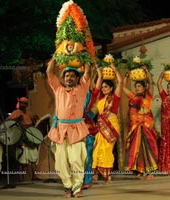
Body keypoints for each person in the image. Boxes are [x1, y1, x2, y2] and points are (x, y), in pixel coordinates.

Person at [46, 58, 90, 198]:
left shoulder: (82, 88)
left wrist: (85, 57)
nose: (69, 78)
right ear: (63, 78)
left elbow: (88, 72)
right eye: (66, 76)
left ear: (77, 78)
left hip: (76, 129)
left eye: (72, 76)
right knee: (60, 163)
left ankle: (77, 188)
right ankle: (67, 186)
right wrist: (56, 56)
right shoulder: (58, 88)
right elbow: (49, 72)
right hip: (60, 130)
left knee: (76, 160)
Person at [123, 67, 158, 180]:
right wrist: (126, 76)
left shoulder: (148, 97)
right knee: (135, 148)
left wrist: (147, 72)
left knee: (147, 148)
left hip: (145, 126)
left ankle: (150, 171)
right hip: (135, 126)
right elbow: (123, 87)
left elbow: (151, 84)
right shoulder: (133, 97)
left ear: (144, 88)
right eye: (136, 86)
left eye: (139, 86)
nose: (137, 88)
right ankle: (139, 169)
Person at [91, 63, 122, 184]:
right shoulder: (100, 98)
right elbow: (95, 85)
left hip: (111, 127)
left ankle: (108, 176)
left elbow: (120, 83)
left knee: (107, 151)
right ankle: (96, 173)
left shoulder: (115, 97)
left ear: (111, 88)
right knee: (97, 149)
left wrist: (114, 68)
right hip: (101, 127)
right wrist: (97, 70)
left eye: (106, 87)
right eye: (102, 87)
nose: (103, 89)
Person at [6, 97, 39, 181]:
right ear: (19, 104)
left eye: (24, 103)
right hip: (21, 137)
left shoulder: (28, 112)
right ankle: (21, 178)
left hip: (30, 136)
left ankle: (34, 176)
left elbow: (32, 121)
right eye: (21, 103)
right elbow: (7, 122)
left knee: (33, 156)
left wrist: (34, 119)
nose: (23, 105)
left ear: (26, 105)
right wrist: (16, 120)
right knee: (22, 158)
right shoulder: (16, 112)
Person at [81, 65, 102, 189]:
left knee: (88, 155)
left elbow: (99, 80)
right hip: (75, 126)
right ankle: (77, 180)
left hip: (87, 126)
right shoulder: (73, 92)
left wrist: (97, 68)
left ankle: (87, 180)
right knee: (77, 157)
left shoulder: (91, 94)